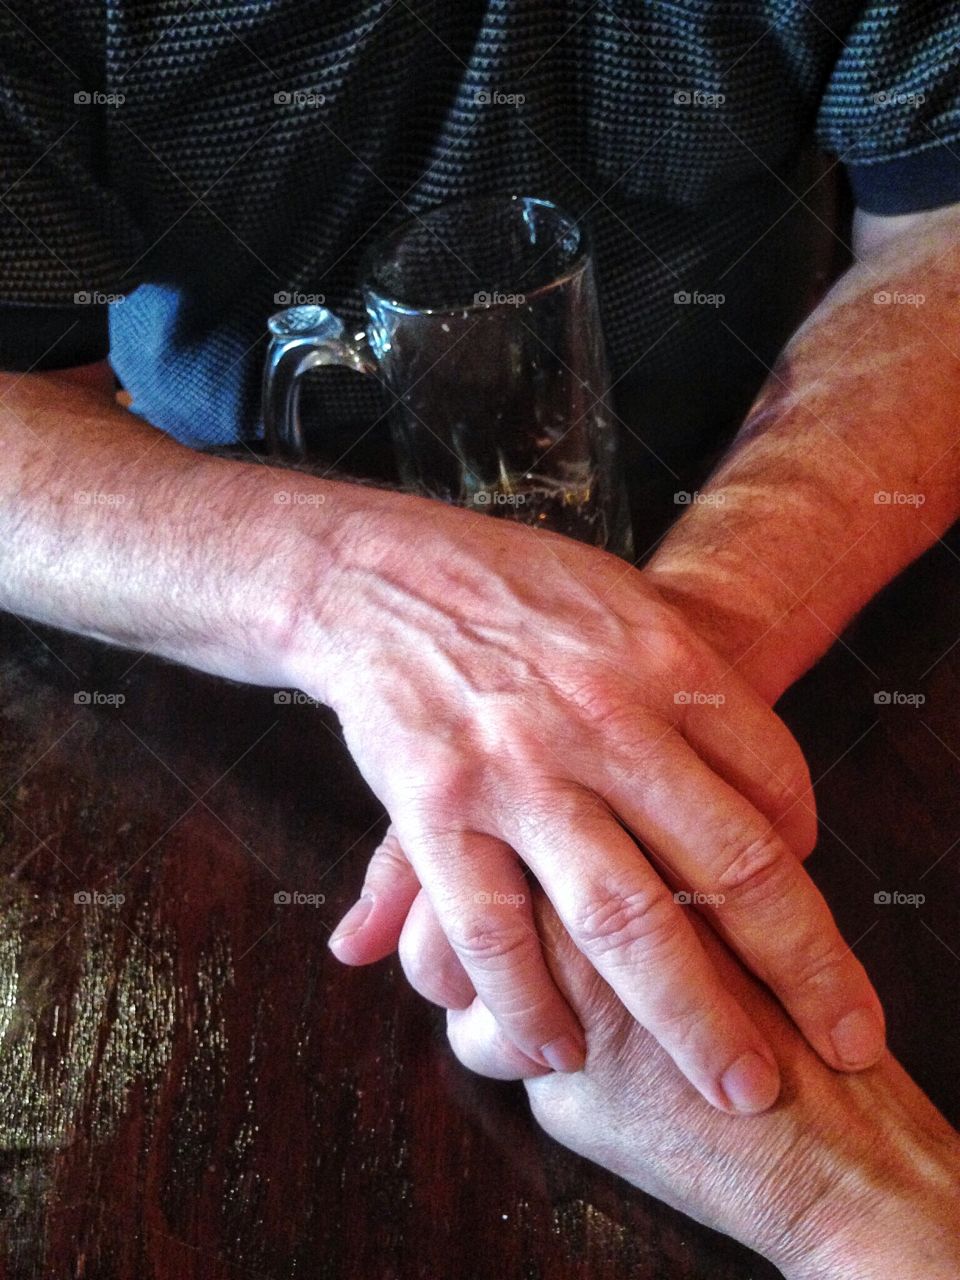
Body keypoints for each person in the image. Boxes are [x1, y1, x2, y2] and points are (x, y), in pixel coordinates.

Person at [2, 4, 958, 1116]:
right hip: (200, 618)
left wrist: (668, 655)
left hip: (771, 529)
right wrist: (348, 586)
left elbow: (943, 229)